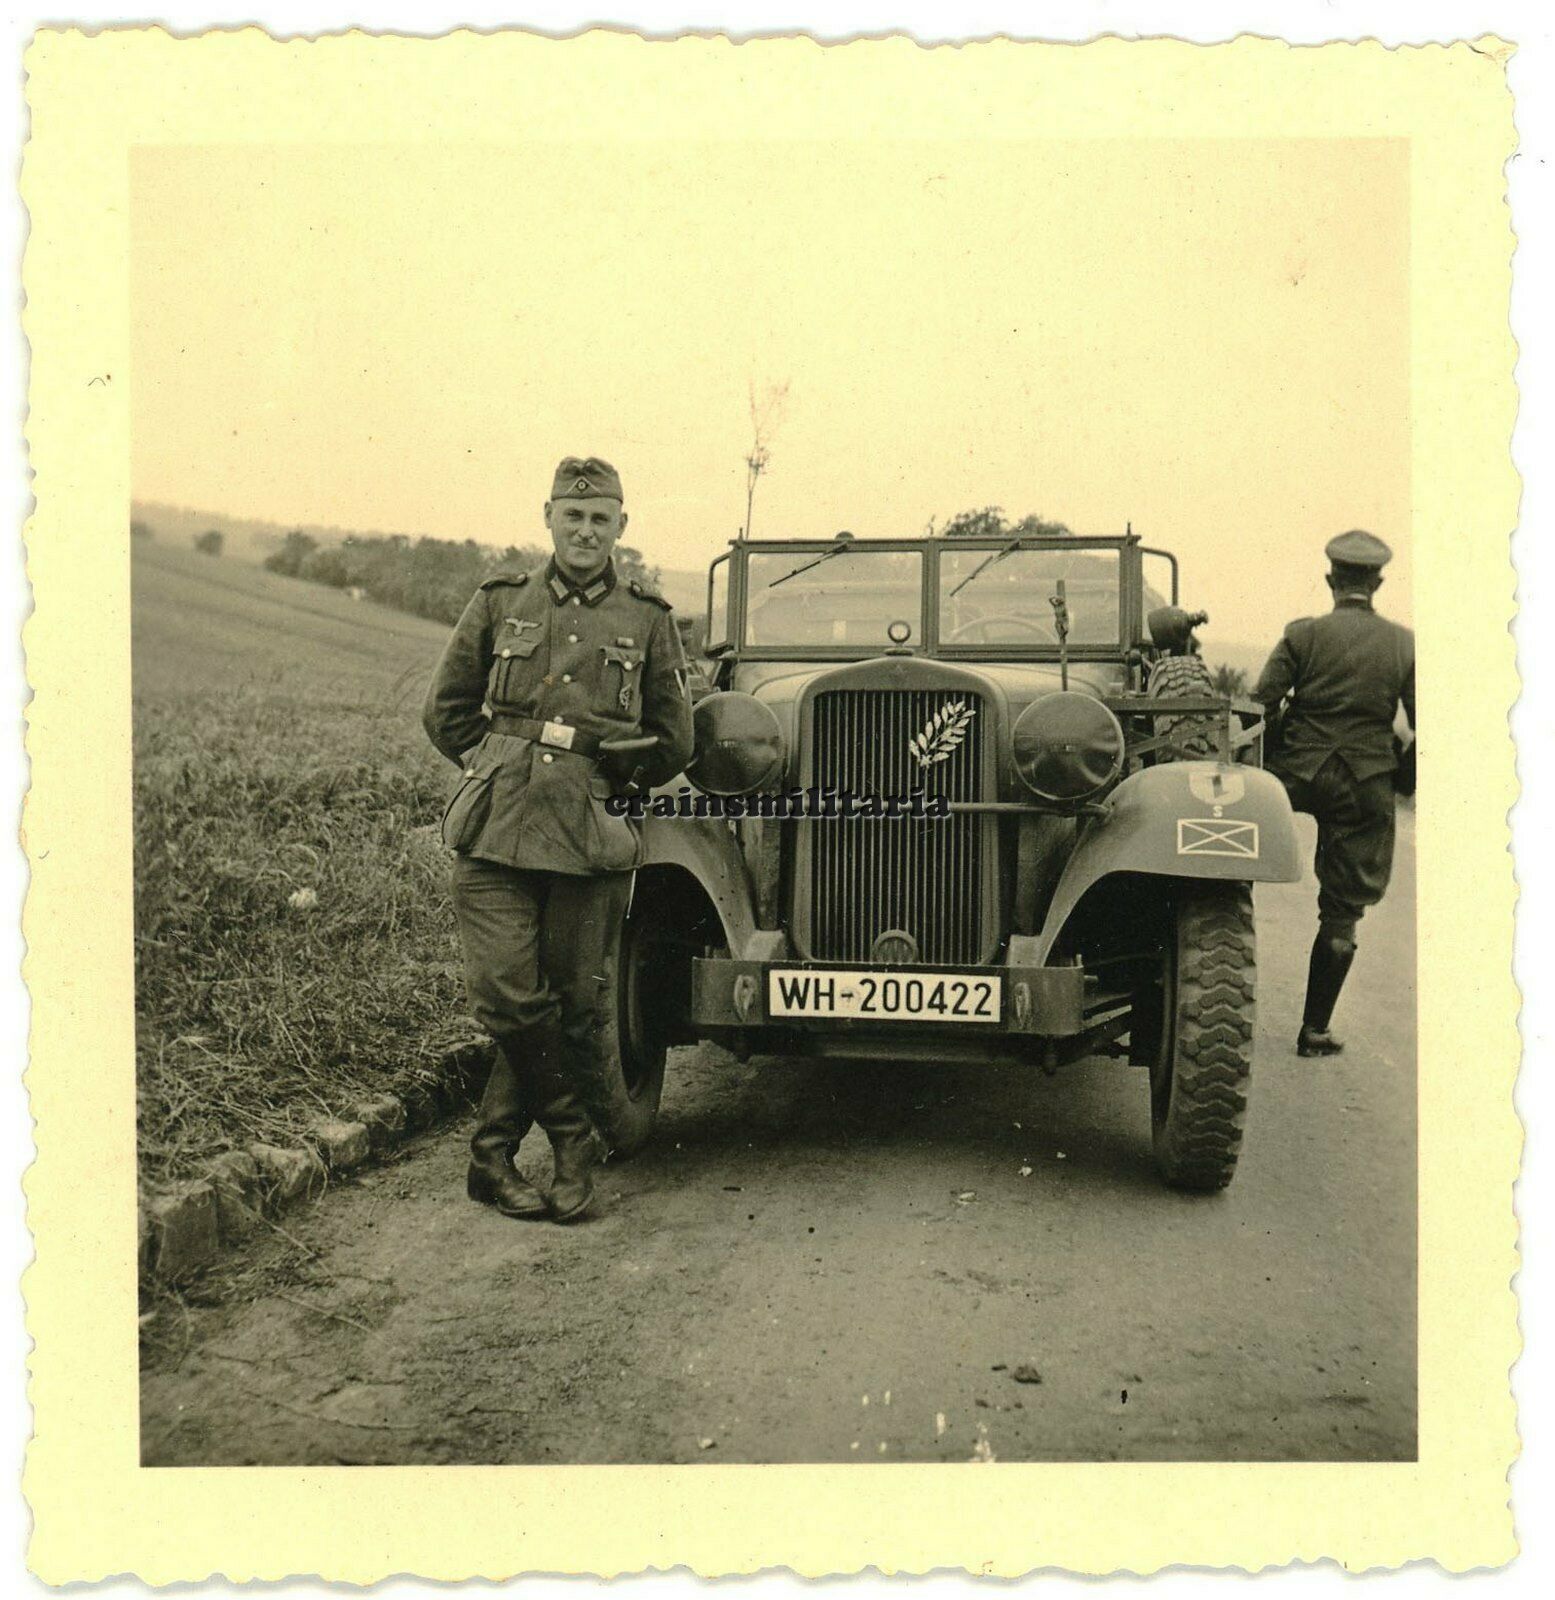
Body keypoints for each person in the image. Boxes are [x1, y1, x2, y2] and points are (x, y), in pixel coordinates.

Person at [423, 457, 694, 1220]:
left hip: (587, 837)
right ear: (548, 517)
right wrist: (493, 766)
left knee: (573, 1005)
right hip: (495, 828)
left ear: (620, 527)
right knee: (508, 996)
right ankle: (573, 1142)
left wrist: (612, 787)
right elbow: (445, 710)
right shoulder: (500, 600)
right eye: (571, 516)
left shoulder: (647, 618)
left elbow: (674, 740)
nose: (584, 531)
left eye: (599, 519)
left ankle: (491, 1158)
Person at [1254, 529, 1415, 1057]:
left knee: (1229, 857)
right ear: (1378, 584)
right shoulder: (1403, 643)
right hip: (1365, 782)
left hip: (1295, 773)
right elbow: (1428, 724)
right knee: (1343, 911)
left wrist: (1269, 761)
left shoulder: (1301, 635)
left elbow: (1260, 705)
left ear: (1330, 580)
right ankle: (1314, 1031)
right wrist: (1403, 779)